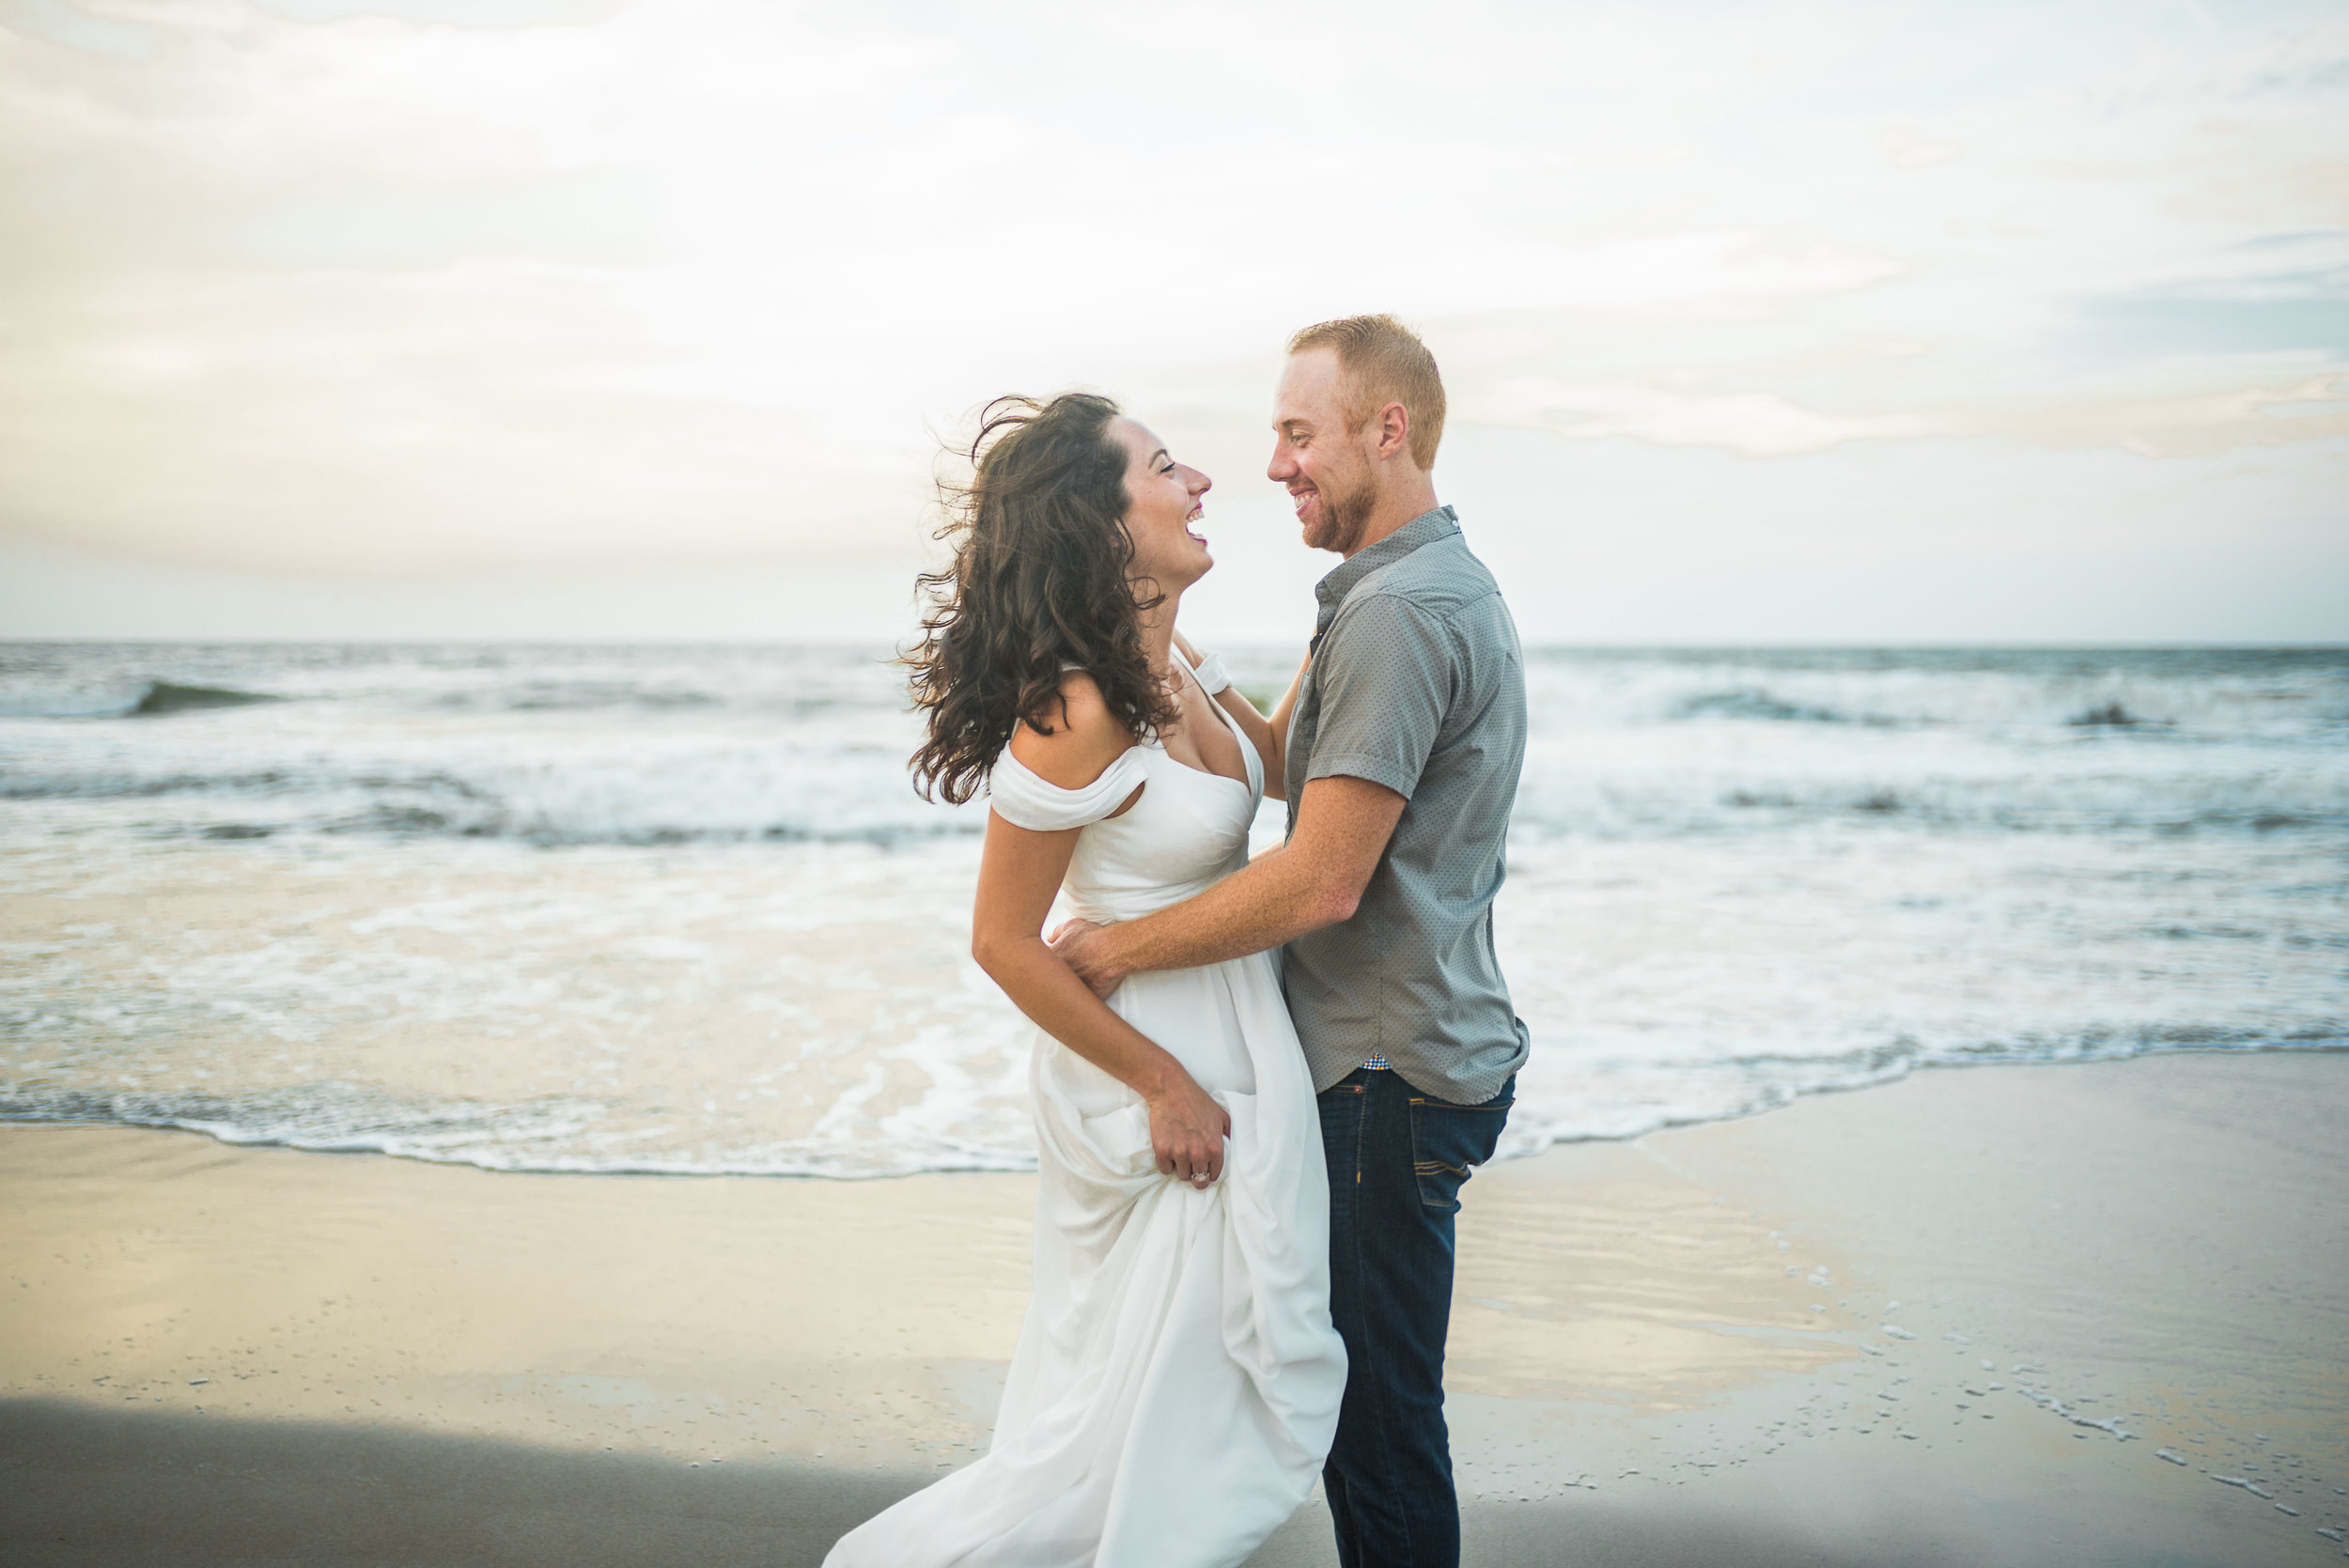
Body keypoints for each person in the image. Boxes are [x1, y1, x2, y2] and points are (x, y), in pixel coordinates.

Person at [822, 392, 1347, 1568]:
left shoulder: (1178, 668)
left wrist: (1354, 587)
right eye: (1166, 467)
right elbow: (1004, 941)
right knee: (1133, 1404)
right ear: (1103, 527)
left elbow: (1275, 770)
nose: (1202, 479)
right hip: (1142, 1067)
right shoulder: (1075, 706)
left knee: (1192, 1394)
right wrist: (1162, 1084)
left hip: (1235, 1031)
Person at [1053, 315, 1530, 1568]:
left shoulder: (1393, 614)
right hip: (1414, 1053)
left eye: (1298, 433)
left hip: (1382, 1075)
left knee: (1375, 1435)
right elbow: (1289, 773)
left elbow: (1322, 879)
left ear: (1390, 428)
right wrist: (1177, 666)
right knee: (1362, 1419)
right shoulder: (1395, 592)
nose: (1272, 466)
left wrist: (1118, 950)